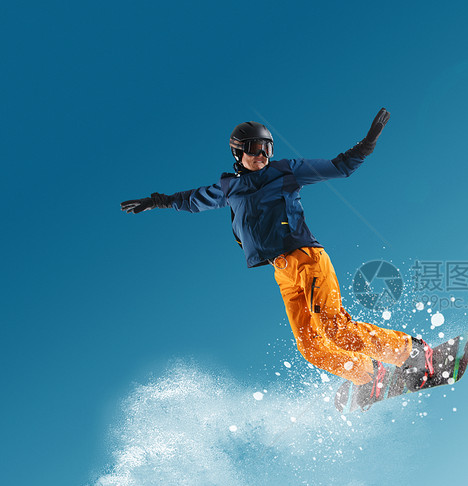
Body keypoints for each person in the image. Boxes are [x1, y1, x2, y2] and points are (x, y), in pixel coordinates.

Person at [121, 108, 434, 407]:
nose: (263, 156)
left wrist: (367, 143)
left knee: (336, 329)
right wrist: (156, 201)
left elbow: (340, 167)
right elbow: (191, 200)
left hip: (308, 260)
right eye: (256, 149)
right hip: (282, 272)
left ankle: (413, 353)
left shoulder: (286, 171)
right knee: (311, 347)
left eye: (267, 148)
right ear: (237, 152)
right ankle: (368, 376)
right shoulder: (229, 188)